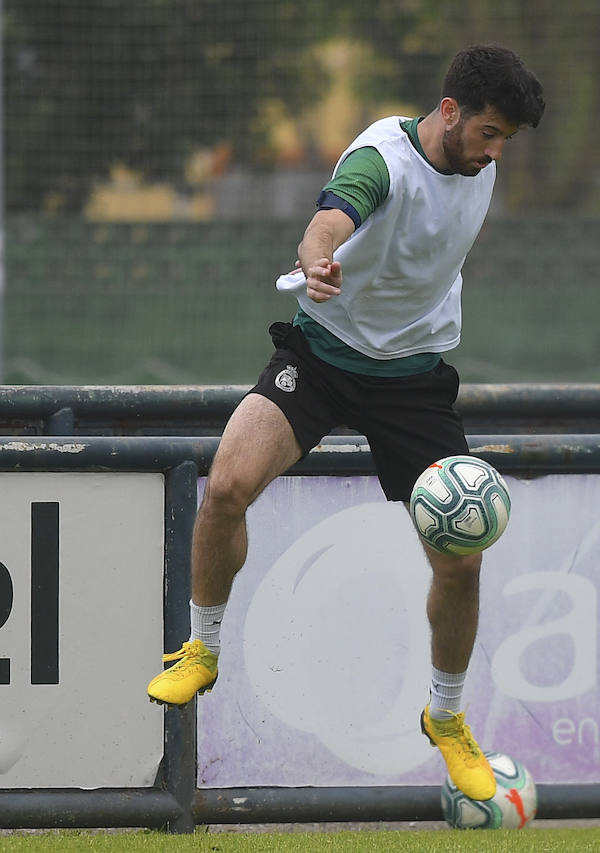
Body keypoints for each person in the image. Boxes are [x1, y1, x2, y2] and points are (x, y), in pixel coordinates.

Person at [146, 44, 545, 802]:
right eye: (491, 133)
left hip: (413, 379)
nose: (497, 153)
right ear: (450, 112)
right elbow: (331, 216)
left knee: (461, 559)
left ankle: (449, 717)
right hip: (324, 355)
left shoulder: (477, 162)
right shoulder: (383, 157)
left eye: (507, 141)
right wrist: (317, 258)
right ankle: (203, 646)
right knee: (226, 482)